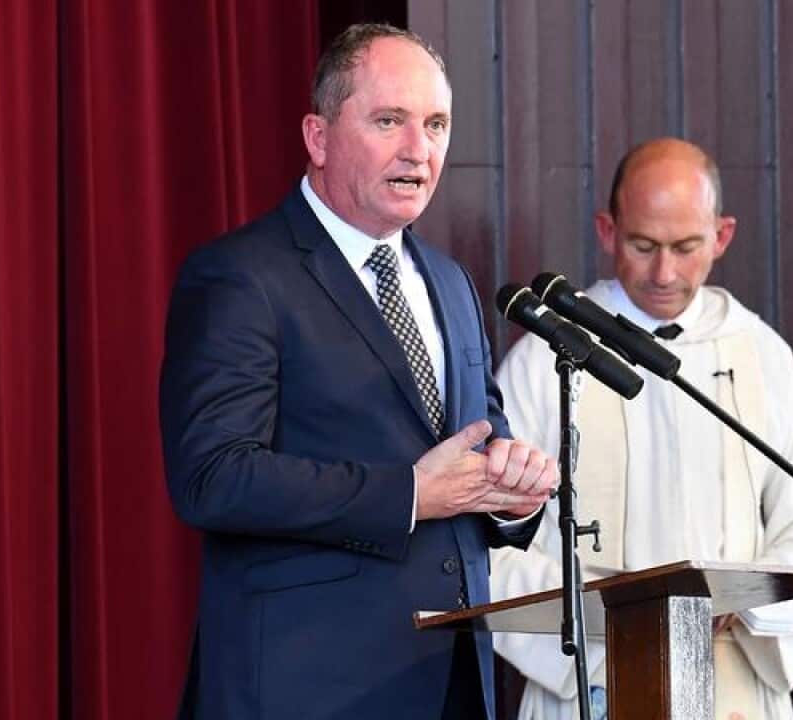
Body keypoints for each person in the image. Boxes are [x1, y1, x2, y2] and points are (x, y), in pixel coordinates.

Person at [159, 24, 556, 719]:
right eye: (389, 121)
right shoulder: (241, 276)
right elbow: (212, 478)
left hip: (452, 681)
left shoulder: (451, 281)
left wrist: (510, 491)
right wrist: (406, 494)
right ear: (317, 136)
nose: (419, 149)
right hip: (305, 689)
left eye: (436, 125)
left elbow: (476, 440)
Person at [490, 138, 793, 720]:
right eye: (643, 245)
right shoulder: (544, 358)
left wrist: (748, 597)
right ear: (607, 231)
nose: (664, 272)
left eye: (686, 247)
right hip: (593, 681)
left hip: (732, 680)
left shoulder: (758, 352)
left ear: (722, 236)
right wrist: (612, 622)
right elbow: (492, 546)